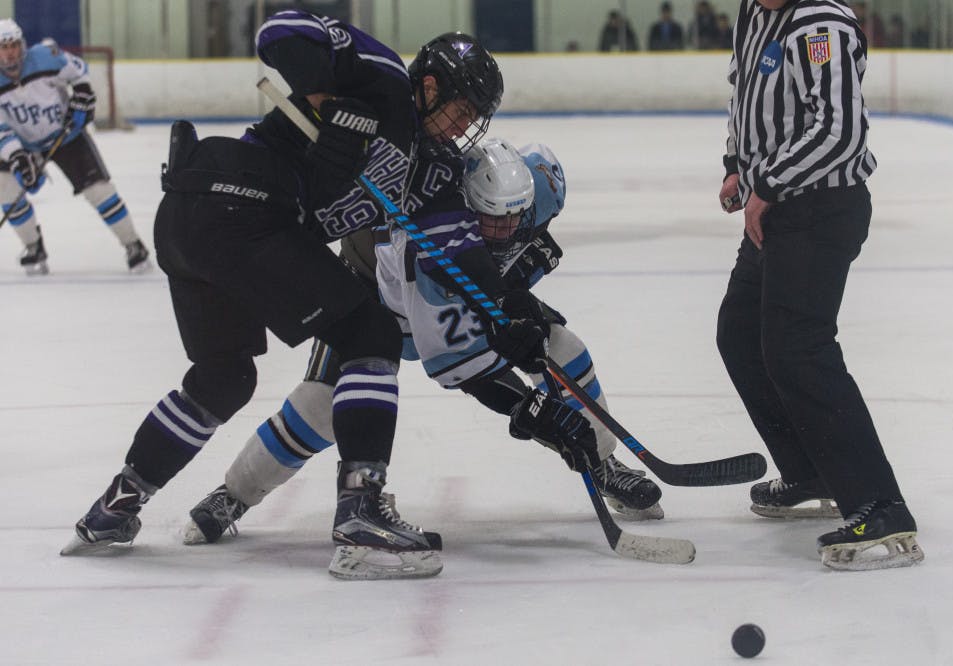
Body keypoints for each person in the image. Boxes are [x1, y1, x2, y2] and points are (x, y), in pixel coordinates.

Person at [61, 10, 512, 581]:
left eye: (474, 118)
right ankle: (361, 515)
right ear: (429, 85)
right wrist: (330, 102)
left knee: (224, 378)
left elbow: (460, 249)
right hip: (237, 202)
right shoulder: (383, 80)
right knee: (371, 333)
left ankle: (115, 507)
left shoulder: (428, 168)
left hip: (201, 217)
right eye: (461, 110)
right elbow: (280, 32)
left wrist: (511, 313)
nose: (463, 127)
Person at [181, 138, 661, 548]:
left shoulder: (524, 199)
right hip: (370, 296)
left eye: (519, 220)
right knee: (320, 407)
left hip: (448, 294)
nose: (508, 232)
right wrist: (536, 414)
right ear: (467, 206)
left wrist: (519, 312)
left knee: (560, 345)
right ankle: (235, 494)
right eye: (493, 221)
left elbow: (502, 290)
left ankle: (603, 462)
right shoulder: (433, 239)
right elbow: (461, 365)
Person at [716, 0, 923, 571]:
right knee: (740, 333)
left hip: (819, 210)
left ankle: (880, 504)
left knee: (798, 348)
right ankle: (811, 472)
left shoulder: (821, 24)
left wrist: (767, 184)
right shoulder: (753, 12)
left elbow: (840, 131)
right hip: (777, 210)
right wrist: (736, 164)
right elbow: (744, 91)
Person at [0, 19, 149, 274]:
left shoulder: (46, 56)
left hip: (66, 135)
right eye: (3, 47)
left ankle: (133, 244)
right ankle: (33, 246)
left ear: (21, 44)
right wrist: (17, 158)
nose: (10, 52)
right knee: (6, 189)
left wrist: (82, 93)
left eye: (13, 45)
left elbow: (78, 71)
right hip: (25, 145)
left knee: (99, 190)